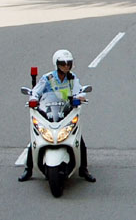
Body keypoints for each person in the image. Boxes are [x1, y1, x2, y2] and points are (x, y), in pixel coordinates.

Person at [18, 49, 95, 183]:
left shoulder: (72, 78)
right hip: (49, 113)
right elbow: (35, 92)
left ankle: (83, 169)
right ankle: (28, 169)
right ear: (56, 64)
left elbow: (79, 91)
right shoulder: (47, 78)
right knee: (35, 141)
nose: (66, 66)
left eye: (68, 63)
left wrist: (80, 97)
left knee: (79, 141)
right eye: (62, 63)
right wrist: (33, 99)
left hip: (66, 113)